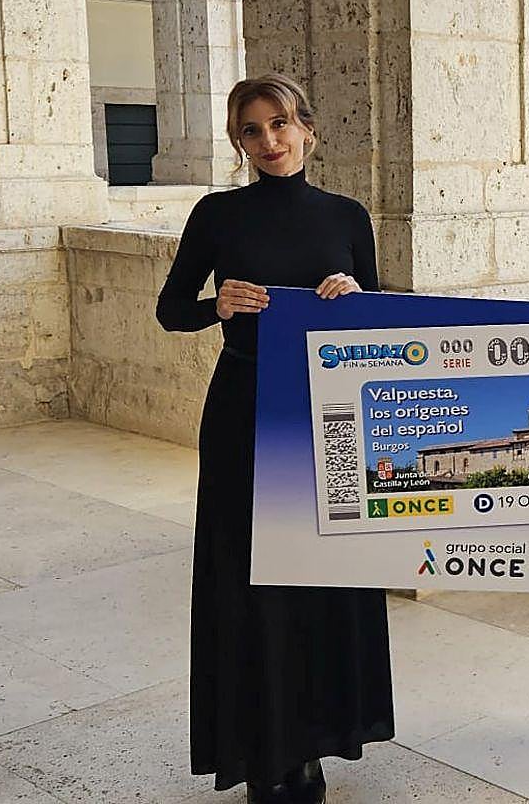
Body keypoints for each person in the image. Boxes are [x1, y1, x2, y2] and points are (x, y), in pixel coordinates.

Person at [156, 73, 393, 804]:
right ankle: (264, 750)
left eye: (281, 124)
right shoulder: (216, 215)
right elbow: (171, 311)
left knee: (324, 577)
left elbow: (380, 316)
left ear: (308, 129)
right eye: (252, 131)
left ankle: (316, 742)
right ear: (238, 142)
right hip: (245, 402)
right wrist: (215, 303)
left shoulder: (348, 215)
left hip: (329, 412)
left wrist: (356, 299)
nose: (270, 140)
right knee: (249, 577)